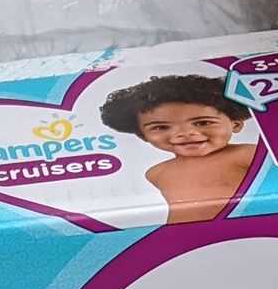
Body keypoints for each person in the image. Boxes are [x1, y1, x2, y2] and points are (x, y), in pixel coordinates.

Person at [101, 73, 259, 220]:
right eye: (161, 127)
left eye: (203, 122)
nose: (184, 133)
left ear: (236, 124)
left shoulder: (245, 153)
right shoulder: (156, 172)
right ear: (143, 135)